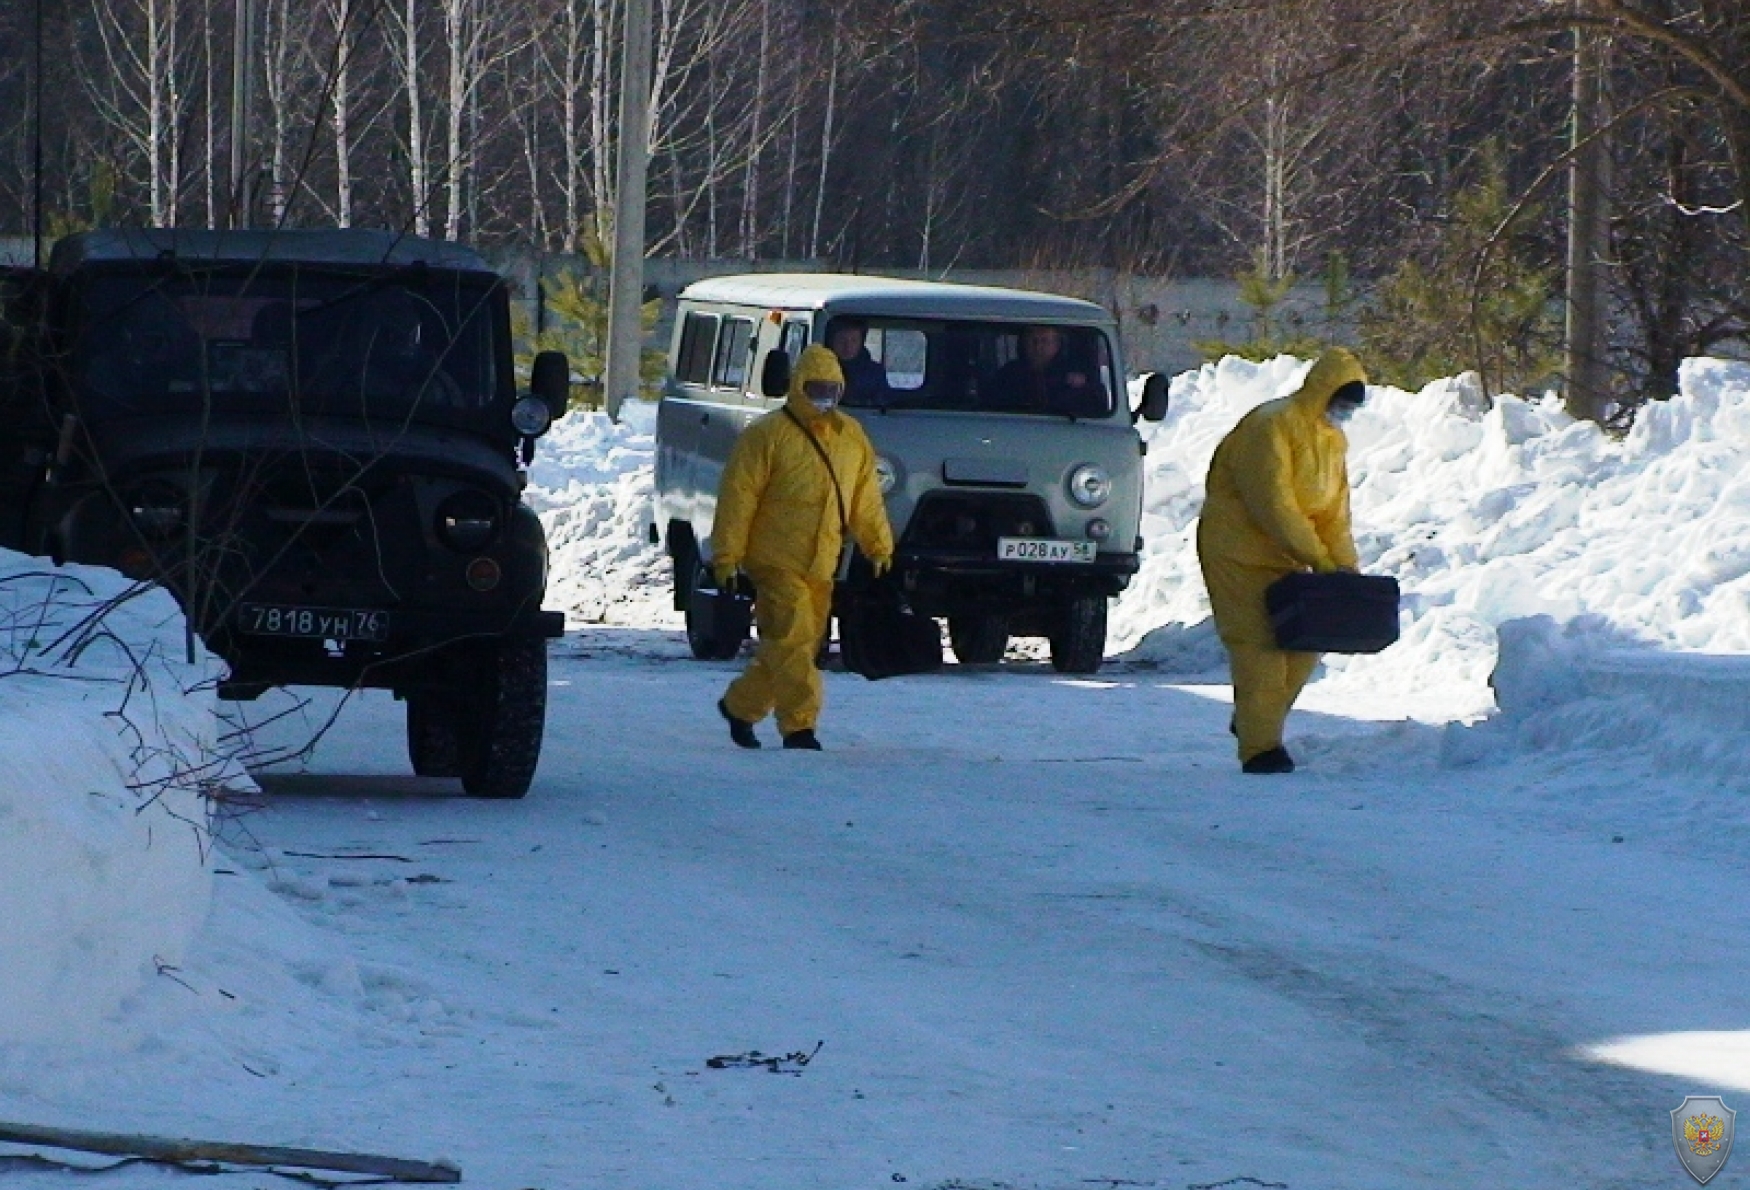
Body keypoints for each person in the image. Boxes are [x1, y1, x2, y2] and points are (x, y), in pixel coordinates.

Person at [712, 344, 894, 751]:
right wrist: (727, 555)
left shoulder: (851, 438)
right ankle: (799, 728)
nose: (824, 398)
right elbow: (738, 499)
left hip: (822, 563)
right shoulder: (766, 436)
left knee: (794, 647)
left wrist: (878, 544)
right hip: (775, 561)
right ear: (797, 387)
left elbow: (865, 497)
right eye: (816, 388)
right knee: (794, 644)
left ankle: (740, 706)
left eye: (832, 389)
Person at [1195, 347, 1368, 775]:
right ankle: (1261, 749)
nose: (1343, 414)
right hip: (1236, 552)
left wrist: (1345, 568)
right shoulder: (1271, 425)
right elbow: (1273, 503)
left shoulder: (1331, 441)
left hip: (1286, 554)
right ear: (1322, 392)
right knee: (1261, 648)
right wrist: (1319, 560)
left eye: (1350, 408)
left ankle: (1255, 718)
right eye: (1340, 403)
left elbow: (1333, 513)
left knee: (1305, 643)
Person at [985, 324, 1106, 414]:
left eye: (1044, 341)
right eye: (1033, 340)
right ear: (1023, 343)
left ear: (1056, 345)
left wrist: (1083, 386)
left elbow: (1097, 407)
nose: (1038, 347)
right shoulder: (1008, 375)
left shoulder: (1074, 373)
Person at [826, 317, 892, 406]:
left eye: (854, 340)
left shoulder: (874, 372)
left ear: (861, 342)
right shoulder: (821, 368)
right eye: (841, 340)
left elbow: (883, 403)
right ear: (832, 341)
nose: (847, 346)